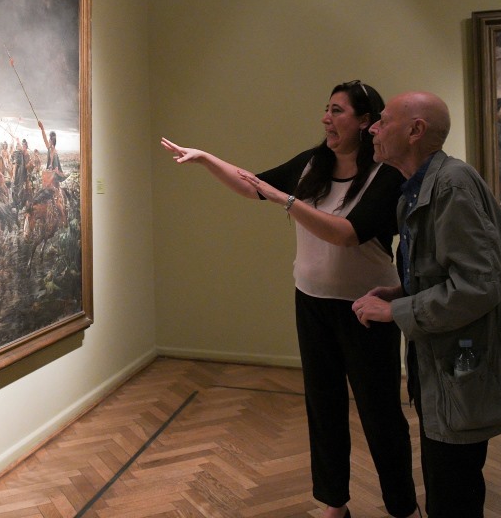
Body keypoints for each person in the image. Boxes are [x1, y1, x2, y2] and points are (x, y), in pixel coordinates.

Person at [161, 80, 418, 518]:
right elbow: (252, 185)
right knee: (323, 406)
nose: (326, 118)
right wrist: (205, 158)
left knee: (380, 414)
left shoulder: (386, 173)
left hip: (368, 308)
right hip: (312, 302)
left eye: (337, 111)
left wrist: (285, 199)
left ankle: (402, 507)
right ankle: (334, 503)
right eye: (327, 109)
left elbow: (346, 234)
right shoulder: (312, 164)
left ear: (365, 121)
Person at [352, 91, 501, 518]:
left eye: (384, 121)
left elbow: (480, 285)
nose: (373, 128)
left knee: (451, 492)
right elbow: (447, 273)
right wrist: (402, 292)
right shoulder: (419, 189)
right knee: (447, 484)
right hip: (444, 366)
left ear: (415, 131)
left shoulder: (451, 186)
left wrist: (397, 311)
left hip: (460, 366)